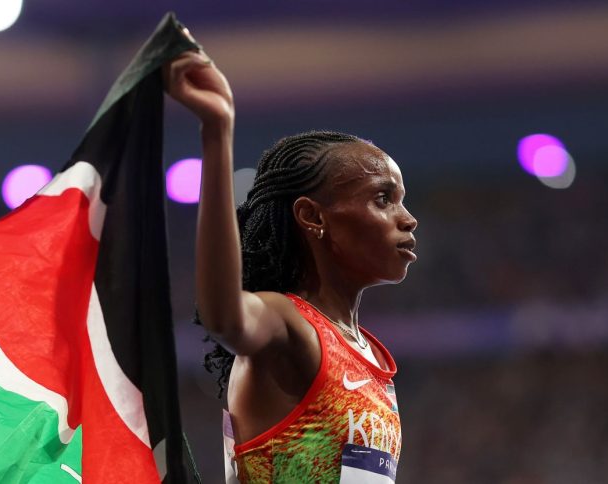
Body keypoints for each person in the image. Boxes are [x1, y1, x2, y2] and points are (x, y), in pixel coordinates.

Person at [165, 45, 418, 483]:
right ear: (313, 217)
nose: (408, 218)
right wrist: (217, 130)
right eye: (383, 199)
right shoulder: (288, 324)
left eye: (401, 200)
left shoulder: (368, 352)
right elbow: (222, 314)